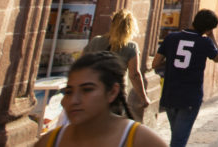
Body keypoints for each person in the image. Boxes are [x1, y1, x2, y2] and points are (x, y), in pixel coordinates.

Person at [35, 51, 166, 147]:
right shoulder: (50, 141)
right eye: (69, 91)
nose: (74, 100)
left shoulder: (142, 141)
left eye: (87, 89)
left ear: (112, 92)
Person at [151, 9, 218, 147]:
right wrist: (211, 37)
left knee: (176, 136)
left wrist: (172, 60)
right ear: (208, 29)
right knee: (179, 140)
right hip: (190, 97)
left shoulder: (171, 38)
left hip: (170, 95)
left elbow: (155, 63)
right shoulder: (205, 43)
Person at [83, 9, 151, 120]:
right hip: (115, 95)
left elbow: (81, 64)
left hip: (93, 91)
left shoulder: (96, 41)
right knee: (110, 128)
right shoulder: (131, 47)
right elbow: (134, 75)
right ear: (131, 28)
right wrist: (143, 98)